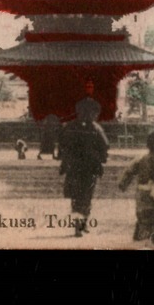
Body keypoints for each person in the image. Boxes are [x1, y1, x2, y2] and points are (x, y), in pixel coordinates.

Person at [57, 98, 109, 235]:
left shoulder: (69, 127)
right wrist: (101, 161)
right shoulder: (96, 128)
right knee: (87, 196)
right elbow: (104, 147)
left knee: (76, 196)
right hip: (89, 168)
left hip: (73, 167)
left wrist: (64, 163)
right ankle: (82, 223)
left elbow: (62, 146)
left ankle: (78, 225)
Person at [118, 131, 154, 249]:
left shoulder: (140, 159)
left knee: (144, 218)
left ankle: (145, 241)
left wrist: (123, 184)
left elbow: (129, 172)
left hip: (143, 195)